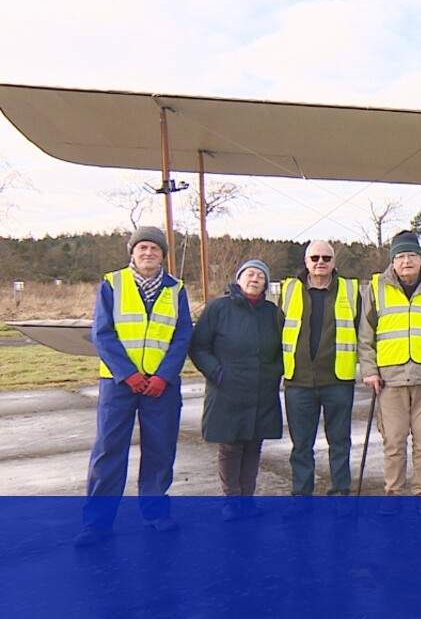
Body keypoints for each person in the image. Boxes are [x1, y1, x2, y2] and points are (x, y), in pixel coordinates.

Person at [76, 227, 193, 546]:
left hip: (161, 386)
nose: (148, 253)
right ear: (132, 252)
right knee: (109, 451)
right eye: (142, 247)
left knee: (160, 448)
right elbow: (102, 334)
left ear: (163, 256)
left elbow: (182, 336)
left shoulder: (176, 289)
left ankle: (156, 512)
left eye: (155, 249)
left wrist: (162, 377)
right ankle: (97, 523)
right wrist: (128, 374)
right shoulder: (112, 284)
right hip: (119, 384)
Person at [358, 231, 421, 516]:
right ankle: (393, 492)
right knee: (394, 441)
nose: (406, 261)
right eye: (400, 257)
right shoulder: (376, 287)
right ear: (392, 262)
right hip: (389, 380)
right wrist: (370, 371)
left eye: (411, 255)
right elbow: (365, 336)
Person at [189, 259, 284, 522]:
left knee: (254, 444)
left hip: (262, 390)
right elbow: (198, 347)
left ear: (266, 284)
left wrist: (275, 371)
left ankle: (247, 499)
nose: (255, 279)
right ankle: (231, 500)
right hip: (227, 388)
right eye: (250, 274)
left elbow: (284, 348)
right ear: (239, 279)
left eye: (260, 276)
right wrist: (216, 372)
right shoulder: (218, 308)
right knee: (231, 445)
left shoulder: (272, 313)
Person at [279, 240, 359, 517]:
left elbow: (365, 332)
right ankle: (302, 495)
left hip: (338, 380)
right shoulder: (289, 291)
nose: (320, 262)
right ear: (306, 261)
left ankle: (341, 493)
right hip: (298, 382)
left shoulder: (351, 290)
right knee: (301, 445)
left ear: (334, 262)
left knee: (340, 442)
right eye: (315, 257)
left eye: (326, 257)